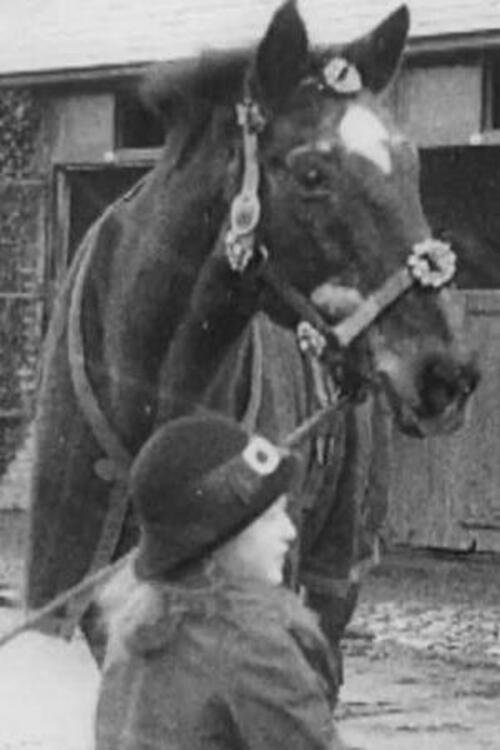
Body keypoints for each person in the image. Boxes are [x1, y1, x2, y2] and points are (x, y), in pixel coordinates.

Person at [95, 412, 344, 750]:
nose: (290, 532)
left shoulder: (133, 625)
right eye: (271, 518)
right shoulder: (252, 645)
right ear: (223, 541)